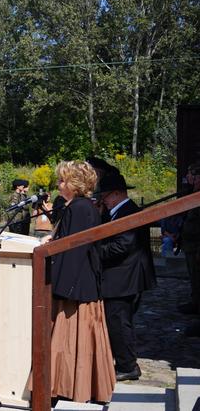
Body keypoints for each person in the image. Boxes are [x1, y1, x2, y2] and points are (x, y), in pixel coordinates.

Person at [38, 161, 115, 403]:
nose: (59, 185)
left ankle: (72, 387)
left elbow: (74, 252)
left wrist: (59, 288)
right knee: (71, 340)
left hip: (76, 287)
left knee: (73, 340)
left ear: (75, 183)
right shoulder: (80, 206)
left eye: (62, 180)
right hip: (77, 284)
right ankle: (70, 385)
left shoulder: (80, 207)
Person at [96, 173, 156, 381]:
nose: (102, 199)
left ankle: (127, 365)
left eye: (104, 195)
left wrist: (94, 251)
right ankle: (123, 361)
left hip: (125, 276)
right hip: (121, 275)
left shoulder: (128, 212)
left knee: (119, 321)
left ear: (116, 194)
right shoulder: (115, 212)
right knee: (117, 320)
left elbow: (122, 245)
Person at [180, 162, 200, 337]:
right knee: (194, 279)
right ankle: (196, 303)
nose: (189, 178)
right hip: (191, 244)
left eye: (192, 175)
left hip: (196, 245)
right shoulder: (193, 194)